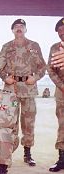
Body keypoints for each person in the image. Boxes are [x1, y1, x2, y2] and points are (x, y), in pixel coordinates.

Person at [0, 19, 46, 167]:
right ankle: (7, 154)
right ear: (12, 30)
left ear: (25, 29)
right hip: (11, 90)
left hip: (29, 90)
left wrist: (35, 77)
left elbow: (42, 67)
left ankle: (27, 153)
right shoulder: (7, 47)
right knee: (10, 122)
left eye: (21, 26)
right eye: (16, 27)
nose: (19, 29)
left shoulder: (34, 46)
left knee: (28, 123)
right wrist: (5, 78)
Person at [47, 17, 64, 172]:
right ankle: (62, 159)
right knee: (63, 126)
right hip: (62, 93)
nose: (62, 33)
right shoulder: (54, 48)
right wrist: (62, 86)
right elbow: (50, 69)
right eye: (59, 31)